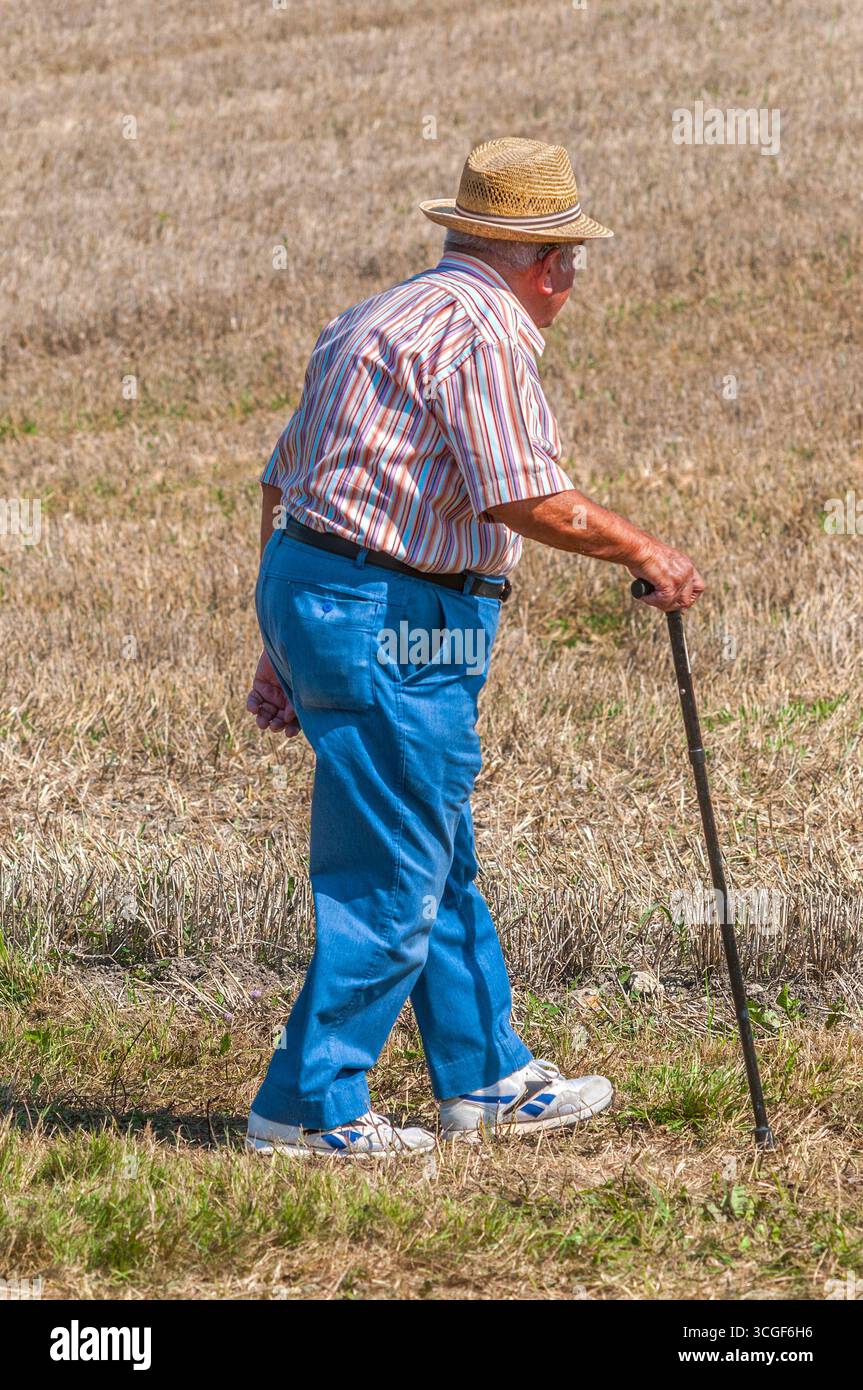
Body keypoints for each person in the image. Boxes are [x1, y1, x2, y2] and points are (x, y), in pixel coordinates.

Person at [245, 137, 704, 1157]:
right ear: (546, 266)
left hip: (320, 585)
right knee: (398, 865)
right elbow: (521, 494)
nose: (571, 285)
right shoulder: (481, 332)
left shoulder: (372, 315)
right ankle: (307, 1107)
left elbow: (283, 476)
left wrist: (283, 641)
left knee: (430, 841)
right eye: (570, 263)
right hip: (393, 612)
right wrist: (646, 550)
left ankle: (485, 1076)